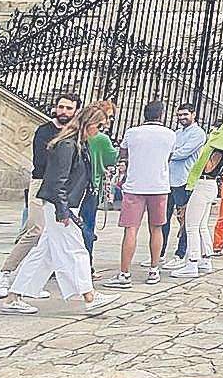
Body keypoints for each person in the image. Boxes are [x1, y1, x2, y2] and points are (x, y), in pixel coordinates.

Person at [1, 104, 105, 315]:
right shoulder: (67, 145)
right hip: (61, 205)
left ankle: (14, 296)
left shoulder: (77, 144)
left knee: (44, 254)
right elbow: (57, 180)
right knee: (75, 249)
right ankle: (89, 295)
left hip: (65, 204)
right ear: (89, 123)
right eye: (100, 125)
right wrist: (62, 210)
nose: (101, 130)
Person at [0, 89, 80, 298]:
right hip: (42, 183)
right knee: (36, 229)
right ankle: (4, 272)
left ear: (76, 111)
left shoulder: (75, 133)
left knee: (49, 237)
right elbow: (41, 160)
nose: (64, 111)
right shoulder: (45, 130)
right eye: (61, 106)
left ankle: (28, 285)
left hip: (61, 188)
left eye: (69, 108)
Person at [104, 100, 176, 288]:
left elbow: (123, 154)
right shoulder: (170, 134)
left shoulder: (132, 132)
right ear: (161, 115)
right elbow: (169, 156)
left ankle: (124, 273)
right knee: (157, 228)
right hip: (159, 186)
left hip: (135, 186)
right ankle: (154, 269)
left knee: (131, 229)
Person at [170, 144, 223, 279]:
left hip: (204, 184)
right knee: (202, 226)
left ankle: (192, 262)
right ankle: (205, 259)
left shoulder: (219, 149)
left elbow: (208, 168)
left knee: (192, 227)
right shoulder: (222, 149)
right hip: (207, 185)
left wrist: (203, 154)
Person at [164, 103, 206, 260]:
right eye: (179, 115)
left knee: (184, 218)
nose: (182, 118)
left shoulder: (198, 133)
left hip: (184, 179)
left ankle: (181, 253)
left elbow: (183, 152)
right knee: (163, 218)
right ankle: (160, 252)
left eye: (185, 115)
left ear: (193, 114)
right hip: (169, 179)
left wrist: (168, 154)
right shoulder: (176, 133)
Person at [80, 101, 119, 264]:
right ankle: (87, 264)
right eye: (108, 118)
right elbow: (112, 158)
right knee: (87, 226)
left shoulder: (80, 134)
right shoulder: (101, 138)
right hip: (92, 186)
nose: (109, 122)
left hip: (78, 186)